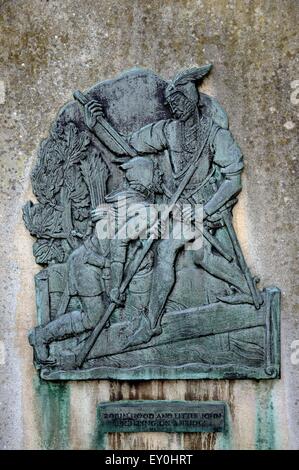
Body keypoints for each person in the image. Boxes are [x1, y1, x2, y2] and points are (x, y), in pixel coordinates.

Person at [83, 65, 260, 347]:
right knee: (201, 256)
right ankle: (249, 289)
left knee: (166, 249)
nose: (173, 106)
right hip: (177, 207)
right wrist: (97, 126)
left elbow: (233, 179)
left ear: (191, 100)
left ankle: (150, 324)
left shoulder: (214, 135)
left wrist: (207, 210)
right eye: (170, 102)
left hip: (203, 208)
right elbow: (126, 147)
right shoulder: (167, 130)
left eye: (178, 100)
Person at [29, 157, 159, 363]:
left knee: (108, 317)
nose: (160, 176)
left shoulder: (137, 206)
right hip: (87, 264)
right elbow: (118, 245)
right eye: (156, 172)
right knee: (94, 318)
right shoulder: (136, 209)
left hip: (100, 266)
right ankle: (40, 337)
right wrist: (115, 286)